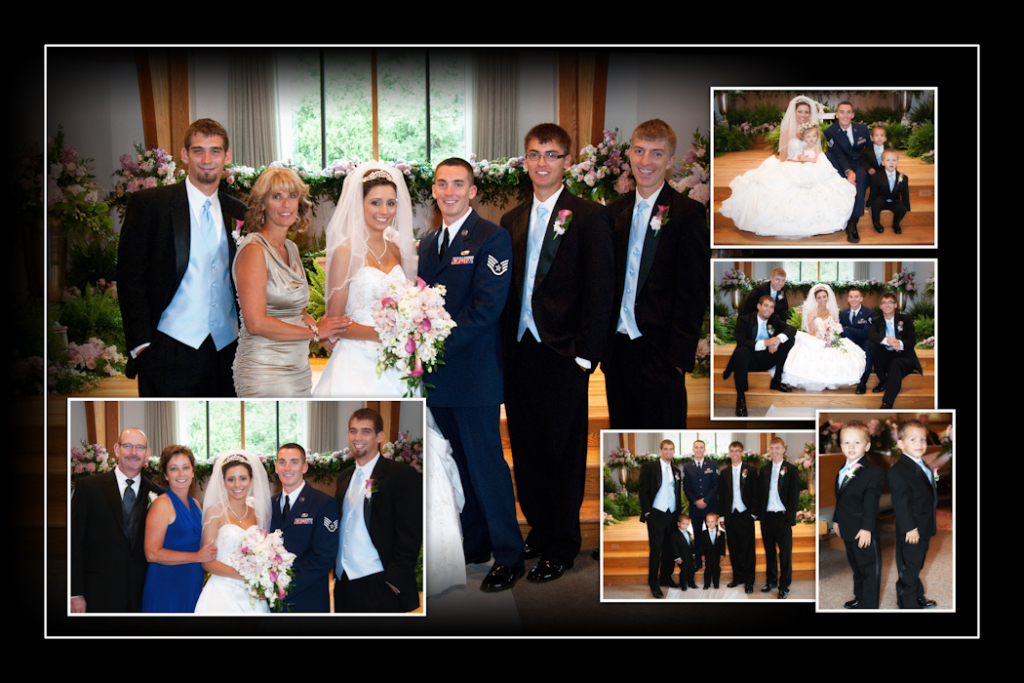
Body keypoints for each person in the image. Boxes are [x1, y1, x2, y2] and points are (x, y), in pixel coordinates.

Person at [500, 123, 614, 582]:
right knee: (525, 449)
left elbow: (601, 288)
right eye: (533, 154)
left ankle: (562, 543)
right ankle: (542, 526)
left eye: (550, 154)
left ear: (566, 161)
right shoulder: (512, 219)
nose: (541, 162)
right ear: (525, 160)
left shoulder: (588, 216)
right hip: (520, 351)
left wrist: (587, 354)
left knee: (563, 451)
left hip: (564, 352)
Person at [418, 158, 521, 593]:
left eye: (458, 183)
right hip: (437, 380)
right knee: (458, 465)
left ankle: (510, 555)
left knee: (487, 467)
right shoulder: (427, 243)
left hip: (474, 375)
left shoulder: (492, 238)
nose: (449, 191)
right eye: (442, 184)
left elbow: (485, 311)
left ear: (473, 190)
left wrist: (430, 344)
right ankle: (476, 543)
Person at [117, 119, 246, 396]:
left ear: (227, 156)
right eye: (198, 151)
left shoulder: (240, 212)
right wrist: (142, 346)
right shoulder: (151, 205)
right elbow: (130, 279)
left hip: (229, 351)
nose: (207, 160)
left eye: (215, 151)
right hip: (168, 351)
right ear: (185, 155)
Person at [602, 119, 709, 428]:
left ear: (670, 161)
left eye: (656, 153)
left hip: (661, 352)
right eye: (639, 151)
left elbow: (693, 291)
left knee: (666, 436)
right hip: (618, 352)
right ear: (629, 155)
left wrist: (678, 358)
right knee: (622, 432)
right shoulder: (612, 212)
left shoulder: (687, 214)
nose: (645, 161)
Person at [233, 167, 347, 397]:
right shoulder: (254, 250)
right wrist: (315, 331)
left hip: (298, 368)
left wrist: (327, 338)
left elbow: (298, 311)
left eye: (292, 196)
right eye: (277, 197)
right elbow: (256, 323)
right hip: (264, 370)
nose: (286, 204)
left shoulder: (291, 248)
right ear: (262, 204)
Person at [312, 161, 418, 398]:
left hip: (398, 358)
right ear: (359, 205)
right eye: (375, 203)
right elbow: (335, 322)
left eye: (391, 203)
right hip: (357, 361)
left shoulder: (397, 250)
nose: (385, 211)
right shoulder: (346, 251)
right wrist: (384, 333)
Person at [334, 408, 422, 613]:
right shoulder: (344, 477)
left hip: (380, 582)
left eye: (366, 431)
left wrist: (394, 581)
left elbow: (411, 535)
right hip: (344, 583)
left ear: (379, 436)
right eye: (353, 431)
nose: (358, 437)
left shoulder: (401, 475)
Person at [71, 428, 164, 612]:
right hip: (98, 593)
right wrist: (75, 593)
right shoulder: (88, 488)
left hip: (142, 595)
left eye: (139, 447)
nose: (133, 452)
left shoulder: (159, 494)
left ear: (147, 453)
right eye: (127, 446)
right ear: (117, 449)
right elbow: (74, 543)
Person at [720, 119, 855, 239]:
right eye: (809, 136)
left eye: (813, 136)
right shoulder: (800, 141)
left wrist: (805, 159)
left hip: (814, 166)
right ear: (805, 138)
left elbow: (815, 158)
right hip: (802, 165)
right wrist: (799, 160)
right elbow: (791, 156)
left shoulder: (817, 147)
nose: (812, 138)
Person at [194, 450, 273, 614]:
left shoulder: (257, 515)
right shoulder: (214, 512)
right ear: (223, 483)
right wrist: (243, 575)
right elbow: (207, 561)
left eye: (243, 478)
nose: (237, 485)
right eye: (231, 479)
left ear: (251, 481)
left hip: (253, 594)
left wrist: (262, 578)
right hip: (221, 593)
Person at [141, 445, 212, 612]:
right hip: (167, 587)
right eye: (174, 469)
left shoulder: (195, 504)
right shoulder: (162, 504)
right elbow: (151, 554)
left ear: (193, 471)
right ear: (166, 475)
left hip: (191, 584)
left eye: (186, 467)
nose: (181, 474)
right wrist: (196, 557)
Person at [269, 443, 339, 612]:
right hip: (272, 602)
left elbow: (325, 557)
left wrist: (285, 585)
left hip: (308, 599)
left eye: (294, 462)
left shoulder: (323, 503)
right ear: (276, 468)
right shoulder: (269, 504)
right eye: (282, 462)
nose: (287, 468)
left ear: (305, 467)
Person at [832, 421, 885, 609]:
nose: (851, 447)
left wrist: (866, 528)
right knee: (856, 566)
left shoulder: (875, 472)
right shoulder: (842, 468)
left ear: (867, 445)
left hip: (864, 530)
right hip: (847, 527)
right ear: (841, 445)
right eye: (846, 443)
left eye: (857, 442)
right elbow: (841, 498)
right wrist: (836, 520)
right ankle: (860, 597)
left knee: (869, 567)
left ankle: (869, 605)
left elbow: (871, 504)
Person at [775, 283, 867, 391]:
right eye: (819, 297)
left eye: (824, 296)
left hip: (830, 338)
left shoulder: (832, 312)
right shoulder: (812, 313)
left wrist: (830, 335)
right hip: (816, 338)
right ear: (815, 299)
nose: (822, 299)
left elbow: (835, 327)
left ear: (828, 297)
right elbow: (812, 332)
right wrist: (821, 337)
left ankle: (834, 379)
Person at [887, 420, 939, 608]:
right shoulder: (898, 471)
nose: (920, 443)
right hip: (912, 529)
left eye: (923, 439)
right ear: (900, 444)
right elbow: (901, 503)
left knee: (916, 564)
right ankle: (907, 603)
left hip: (924, 526)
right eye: (913, 439)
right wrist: (910, 528)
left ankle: (918, 595)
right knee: (909, 567)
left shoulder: (922, 463)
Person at [722, 295, 796, 417]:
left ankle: (776, 380)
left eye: (771, 307)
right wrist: (766, 343)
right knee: (741, 351)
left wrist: (777, 339)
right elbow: (741, 342)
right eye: (766, 305)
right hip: (750, 360)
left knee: (788, 340)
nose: (769, 309)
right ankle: (740, 399)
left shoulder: (774, 319)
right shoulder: (745, 320)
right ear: (758, 306)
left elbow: (791, 329)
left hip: (768, 357)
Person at [637, 440, 683, 599]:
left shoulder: (676, 471)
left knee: (670, 548)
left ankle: (665, 577)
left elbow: (677, 494)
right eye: (666, 449)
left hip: (672, 515)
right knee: (656, 550)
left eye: (671, 449)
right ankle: (654, 584)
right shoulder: (649, 467)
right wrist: (648, 512)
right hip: (656, 514)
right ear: (660, 450)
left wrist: (679, 515)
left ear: (674, 451)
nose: (668, 452)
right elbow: (642, 491)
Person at [758, 437, 799, 599]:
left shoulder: (792, 469)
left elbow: (794, 496)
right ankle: (771, 581)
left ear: (783, 450)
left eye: (777, 448)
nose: (774, 451)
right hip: (767, 517)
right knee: (769, 552)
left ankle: (784, 586)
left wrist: (789, 517)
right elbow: (761, 495)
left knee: (785, 554)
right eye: (772, 448)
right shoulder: (764, 469)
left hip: (782, 518)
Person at [824, 102, 870, 243]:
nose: (845, 115)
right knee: (828, 156)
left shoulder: (862, 129)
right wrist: (848, 171)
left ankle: (853, 221)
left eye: (848, 112)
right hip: (840, 163)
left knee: (862, 174)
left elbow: (869, 150)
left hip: (858, 163)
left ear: (853, 115)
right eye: (842, 112)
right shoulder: (830, 131)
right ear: (836, 115)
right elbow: (838, 154)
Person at [869, 292, 923, 408]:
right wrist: (888, 340)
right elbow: (872, 335)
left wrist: (899, 343)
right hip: (887, 356)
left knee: (896, 364)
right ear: (880, 306)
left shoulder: (905, 319)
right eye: (884, 302)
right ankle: (884, 379)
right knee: (873, 346)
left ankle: (887, 403)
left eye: (890, 302)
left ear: (895, 305)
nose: (887, 305)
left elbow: (912, 340)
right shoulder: (877, 321)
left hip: (904, 356)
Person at [719, 441, 758, 594]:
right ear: (729, 453)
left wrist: (753, 514)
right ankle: (738, 577)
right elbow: (721, 496)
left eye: (737, 450)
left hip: (745, 514)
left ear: (742, 453)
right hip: (730, 516)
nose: (734, 453)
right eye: (732, 450)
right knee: (734, 549)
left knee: (748, 550)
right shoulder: (724, 472)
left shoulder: (752, 470)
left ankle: (749, 580)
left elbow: (756, 494)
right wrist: (722, 516)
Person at [682, 440, 718, 570]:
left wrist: (706, 500)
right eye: (696, 447)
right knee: (697, 535)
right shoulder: (687, 466)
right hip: (695, 507)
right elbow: (686, 487)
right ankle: (697, 561)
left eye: (701, 447)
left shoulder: (713, 464)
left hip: (710, 507)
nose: (698, 449)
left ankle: (712, 562)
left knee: (712, 535)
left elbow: (715, 485)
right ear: (693, 449)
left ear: (704, 450)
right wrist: (695, 501)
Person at [839, 286, 874, 394]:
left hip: (864, 342)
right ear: (848, 299)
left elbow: (866, 333)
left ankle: (863, 382)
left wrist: (848, 330)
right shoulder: (843, 313)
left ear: (861, 299)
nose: (853, 299)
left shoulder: (870, 313)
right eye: (851, 297)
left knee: (869, 346)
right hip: (848, 343)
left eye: (856, 296)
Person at [869, 149, 911, 234]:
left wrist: (907, 207)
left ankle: (896, 224)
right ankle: (876, 223)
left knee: (902, 208)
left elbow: (905, 193)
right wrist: (870, 205)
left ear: (897, 162)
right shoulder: (876, 176)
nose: (891, 162)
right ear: (883, 162)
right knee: (876, 203)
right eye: (888, 160)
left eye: (894, 160)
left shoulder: (902, 177)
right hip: (882, 199)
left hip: (894, 200)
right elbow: (873, 191)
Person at [669, 514, 697, 591]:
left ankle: (691, 582)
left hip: (690, 555)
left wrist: (693, 553)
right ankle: (683, 584)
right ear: (678, 524)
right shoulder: (675, 535)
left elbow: (691, 544)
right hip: (682, 557)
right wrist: (677, 557)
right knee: (684, 571)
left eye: (687, 524)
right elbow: (674, 547)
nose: (685, 526)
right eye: (683, 523)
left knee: (691, 569)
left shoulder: (688, 533)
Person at [700, 512, 725, 590]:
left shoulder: (721, 533)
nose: (710, 523)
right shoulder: (702, 534)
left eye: (712, 521)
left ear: (717, 522)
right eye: (708, 521)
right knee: (707, 570)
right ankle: (706, 584)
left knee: (716, 570)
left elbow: (722, 545)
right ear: (705, 522)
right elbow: (701, 545)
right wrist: (702, 554)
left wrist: (722, 554)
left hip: (716, 555)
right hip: (707, 555)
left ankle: (716, 584)